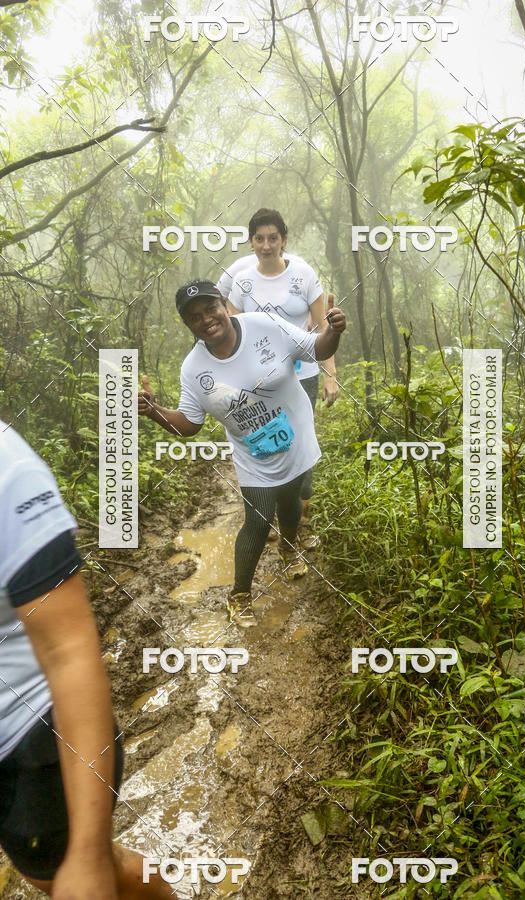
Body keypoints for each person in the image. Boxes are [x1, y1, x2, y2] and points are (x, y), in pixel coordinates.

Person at [0, 421, 171, 899]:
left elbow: (69, 652)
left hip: (32, 733)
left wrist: (89, 855)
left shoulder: (8, 469)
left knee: (65, 874)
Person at [138, 279, 346, 628]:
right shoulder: (193, 368)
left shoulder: (265, 325)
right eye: (194, 317)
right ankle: (239, 595)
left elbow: (317, 348)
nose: (206, 320)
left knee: (291, 500)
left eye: (210, 309)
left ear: (223, 304)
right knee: (258, 519)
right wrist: (154, 411)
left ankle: (288, 547)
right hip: (255, 456)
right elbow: (189, 424)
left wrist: (334, 330)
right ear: (188, 325)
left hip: (295, 439)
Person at [227, 208, 339, 549]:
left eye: (273, 238)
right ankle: (275, 515)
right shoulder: (242, 282)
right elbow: (232, 336)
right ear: (251, 242)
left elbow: (324, 329)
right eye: (259, 238)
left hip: (302, 376)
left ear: (284, 240)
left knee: (300, 446)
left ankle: (299, 518)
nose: (266, 245)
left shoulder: (303, 275)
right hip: (258, 384)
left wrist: (331, 374)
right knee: (269, 446)